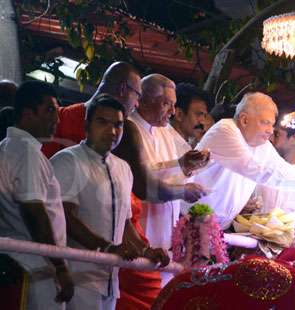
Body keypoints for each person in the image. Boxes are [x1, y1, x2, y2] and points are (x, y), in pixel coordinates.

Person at [50, 94, 169, 310]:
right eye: (102, 122)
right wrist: (106, 248)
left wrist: (145, 251)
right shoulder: (68, 160)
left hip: (111, 280)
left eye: (118, 125)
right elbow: (65, 217)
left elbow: (125, 224)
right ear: (86, 125)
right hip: (75, 276)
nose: (112, 131)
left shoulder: (123, 168)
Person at [192, 92, 295, 229]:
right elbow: (258, 171)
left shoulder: (260, 143)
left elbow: (280, 168)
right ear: (244, 120)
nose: (270, 130)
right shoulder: (225, 130)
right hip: (192, 222)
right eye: (265, 123)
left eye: (272, 124)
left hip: (216, 227)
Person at [122, 74, 208, 286]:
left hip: (166, 238)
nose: (171, 112)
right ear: (144, 100)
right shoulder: (129, 128)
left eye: (174, 105)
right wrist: (179, 167)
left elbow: (172, 171)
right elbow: (143, 179)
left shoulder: (165, 132)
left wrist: (188, 167)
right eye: (166, 104)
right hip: (140, 236)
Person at [0, 81, 73, 309]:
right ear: (27, 114)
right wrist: (59, 266)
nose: (56, 119)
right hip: (35, 265)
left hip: (23, 261)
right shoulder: (26, 152)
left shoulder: (10, 146)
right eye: (50, 110)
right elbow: (34, 211)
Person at [42, 61, 142, 158]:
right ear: (122, 89)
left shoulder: (60, 117)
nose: (137, 104)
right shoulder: (56, 121)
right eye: (137, 95)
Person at [170, 82, 213, 151]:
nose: (203, 121)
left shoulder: (187, 145)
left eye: (204, 116)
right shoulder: (163, 144)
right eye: (199, 114)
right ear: (179, 115)